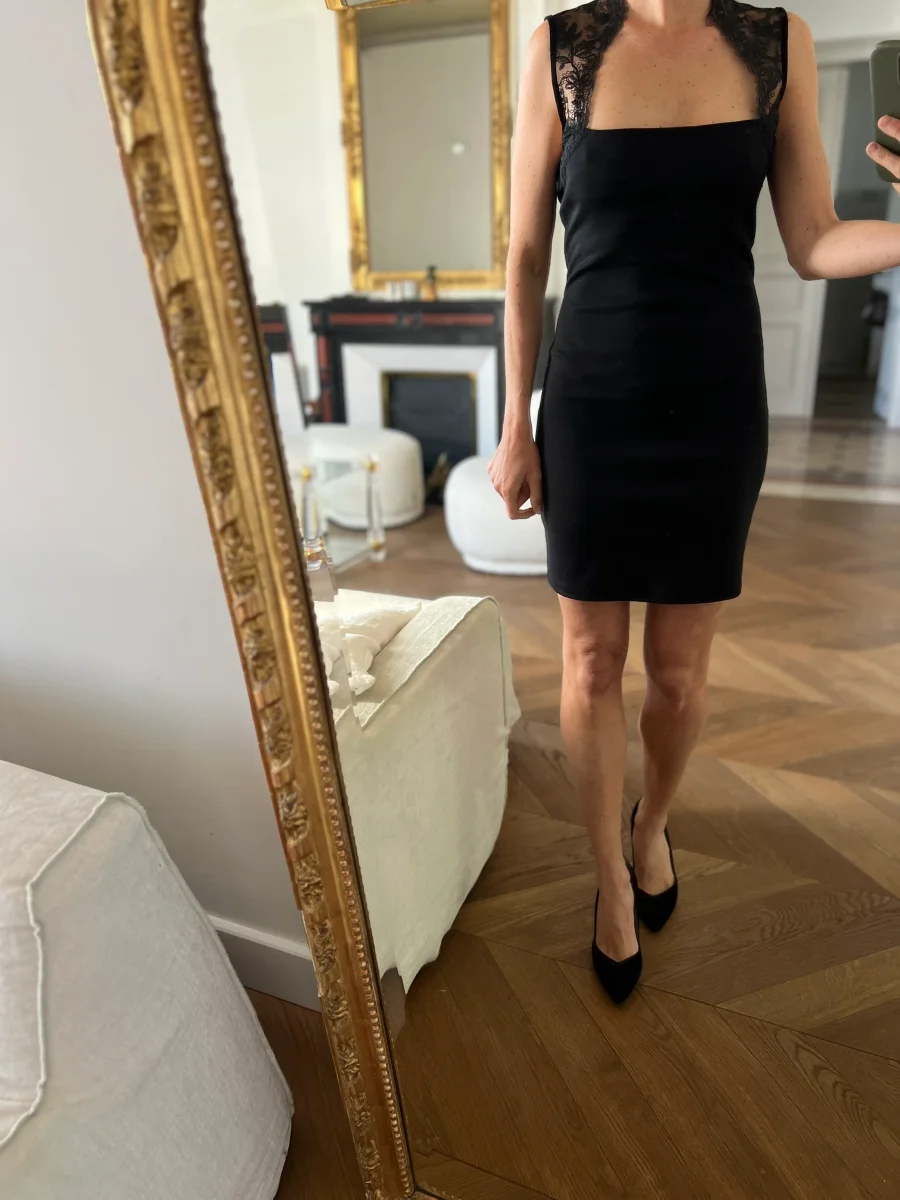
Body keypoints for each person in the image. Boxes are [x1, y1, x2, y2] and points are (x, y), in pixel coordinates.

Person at [489, 0, 900, 1004]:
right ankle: (607, 880)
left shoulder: (778, 42)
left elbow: (814, 240)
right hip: (591, 403)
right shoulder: (561, 48)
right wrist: (514, 423)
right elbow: (526, 254)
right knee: (590, 661)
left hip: (715, 404)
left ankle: (651, 826)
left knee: (678, 673)